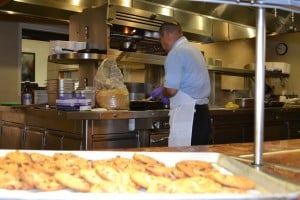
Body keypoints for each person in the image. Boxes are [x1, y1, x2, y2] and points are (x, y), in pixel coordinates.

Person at [151, 21, 211, 147]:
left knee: (183, 160)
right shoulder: (194, 50)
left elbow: (172, 90)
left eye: (160, 39)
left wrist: (163, 92)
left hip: (188, 117)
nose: (162, 44)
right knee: (198, 162)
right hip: (202, 115)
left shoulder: (175, 53)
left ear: (166, 34)